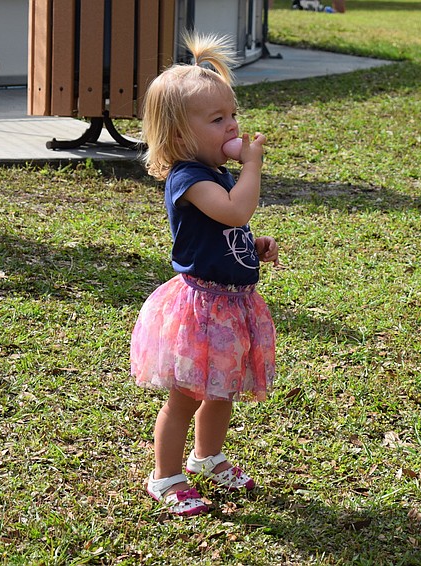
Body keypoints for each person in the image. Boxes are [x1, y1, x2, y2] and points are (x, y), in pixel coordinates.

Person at [131, 33, 278, 517]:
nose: (233, 126)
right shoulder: (188, 178)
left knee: (223, 390)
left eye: (232, 114)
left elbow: (228, 230)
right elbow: (234, 212)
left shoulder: (215, 174)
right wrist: (253, 166)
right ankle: (165, 477)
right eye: (218, 120)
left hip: (232, 302)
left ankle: (207, 458)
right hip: (201, 309)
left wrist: (252, 247)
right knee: (187, 396)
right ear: (178, 136)